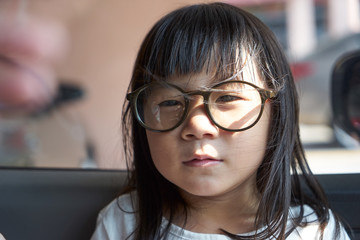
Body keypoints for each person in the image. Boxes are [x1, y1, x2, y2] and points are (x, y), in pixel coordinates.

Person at [91, 3, 351, 240]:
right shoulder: (123, 224)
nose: (197, 126)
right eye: (170, 102)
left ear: (276, 113)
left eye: (227, 97)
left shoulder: (314, 233)